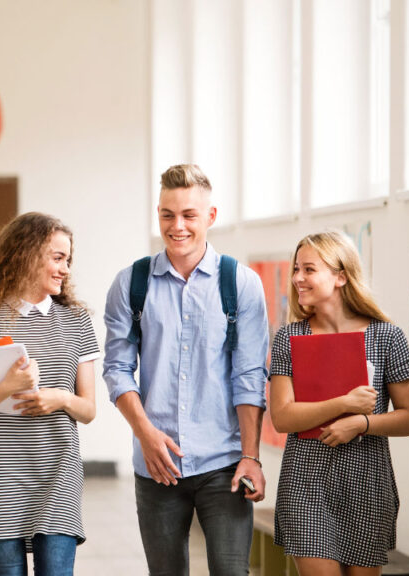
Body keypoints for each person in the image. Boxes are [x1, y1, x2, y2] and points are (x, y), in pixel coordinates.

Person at [102, 164, 270, 575]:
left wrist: (251, 456)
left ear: (210, 217)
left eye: (189, 215)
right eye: (167, 215)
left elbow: (249, 376)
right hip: (157, 466)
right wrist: (145, 433)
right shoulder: (131, 283)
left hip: (224, 464)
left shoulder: (241, 284)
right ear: (158, 213)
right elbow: (118, 368)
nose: (177, 226)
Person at [0, 212, 101, 576]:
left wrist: (60, 399)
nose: (65, 269)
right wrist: (6, 387)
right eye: (57, 257)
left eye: (68, 259)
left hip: (58, 466)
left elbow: (89, 409)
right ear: (26, 254)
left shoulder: (77, 321)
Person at [268, 231, 409, 575]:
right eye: (296, 269)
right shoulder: (290, 338)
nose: (297, 279)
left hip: (367, 483)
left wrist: (361, 423)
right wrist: (344, 404)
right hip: (306, 482)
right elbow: (282, 417)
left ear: (340, 276)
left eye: (309, 269)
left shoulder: (386, 337)